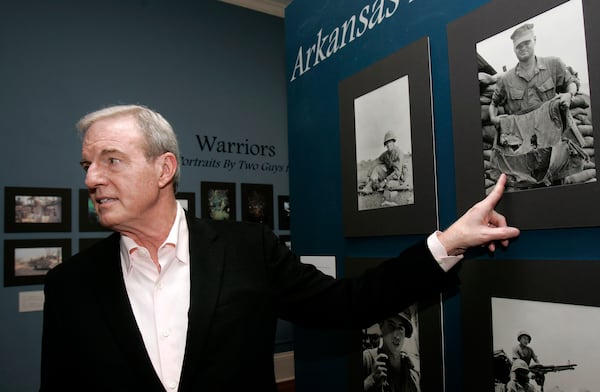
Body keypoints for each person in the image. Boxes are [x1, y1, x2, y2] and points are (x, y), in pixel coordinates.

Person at [40, 104, 519, 391]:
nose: (92, 178)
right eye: (87, 164)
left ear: (164, 169)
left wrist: (449, 242)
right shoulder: (70, 284)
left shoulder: (248, 248)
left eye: (112, 160)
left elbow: (347, 304)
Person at [487, 23, 586, 188]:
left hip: (551, 141)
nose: (523, 47)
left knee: (558, 188)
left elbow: (572, 82)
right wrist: (493, 118)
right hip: (522, 148)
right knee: (525, 190)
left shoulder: (553, 65)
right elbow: (493, 103)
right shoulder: (506, 79)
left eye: (526, 43)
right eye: (519, 45)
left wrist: (569, 95)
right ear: (514, 49)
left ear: (534, 40)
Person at [363, 309, 419, 392]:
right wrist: (371, 381)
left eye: (400, 328)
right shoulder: (367, 359)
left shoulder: (410, 371)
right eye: (391, 326)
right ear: (381, 326)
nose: (396, 336)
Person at [359, 131, 408, 195]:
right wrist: (368, 176)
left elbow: (397, 173)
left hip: (398, 179)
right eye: (387, 143)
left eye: (390, 142)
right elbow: (375, 162)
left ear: (393, 142)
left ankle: (376, 186)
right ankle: (369, 186)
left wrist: (384, 181)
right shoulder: (386, 154)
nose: (388, 145)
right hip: (388, 177)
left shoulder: (399, 153)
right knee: (377, 169)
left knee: (388, 185)